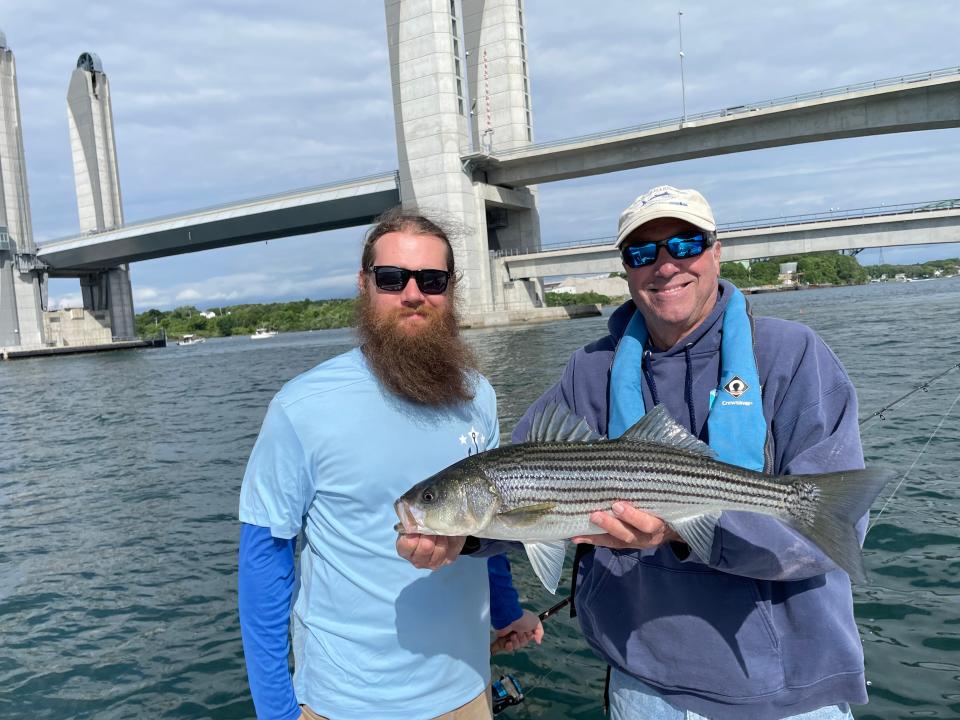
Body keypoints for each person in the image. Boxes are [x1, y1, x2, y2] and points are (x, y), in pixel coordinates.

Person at [509, 185, 869, 719]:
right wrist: (456, 535)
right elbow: (517, 487)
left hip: (784, 692)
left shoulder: (794, 354)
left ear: (716, 251)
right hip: (642, 684)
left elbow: (833, 533)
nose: (664, 265)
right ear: (626, 270)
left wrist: (679, 527)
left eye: (685, 244)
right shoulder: (588, 371)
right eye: (641, 253)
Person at [238, 209, 542, 720]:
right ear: (364, 285)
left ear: (451, 289)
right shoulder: (302, 406)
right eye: (392, 278)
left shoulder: (478, 396)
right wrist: (276, 712)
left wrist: (507, 614)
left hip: (468, 689)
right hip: (346, 702)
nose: (413, 293)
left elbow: (492, 527)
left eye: (432, 280)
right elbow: (264, 563)